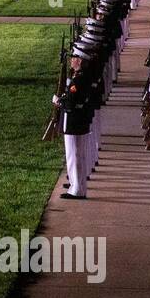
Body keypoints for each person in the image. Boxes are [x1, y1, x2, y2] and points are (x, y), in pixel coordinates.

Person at [55, 52, 92, 199]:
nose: (72, 61)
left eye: (74, 59)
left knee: (73, 156)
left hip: (73, 121)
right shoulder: (81, 77)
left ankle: (76, 189)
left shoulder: (79, 80)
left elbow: (71, 102)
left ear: (80, 60)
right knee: (78, 156)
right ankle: (78, 186)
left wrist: (58, 101)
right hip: (78, 121)